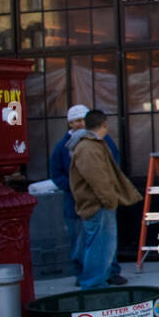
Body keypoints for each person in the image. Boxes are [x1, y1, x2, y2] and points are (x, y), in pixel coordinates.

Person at [50, 104, 125, 282]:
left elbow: (112, 165)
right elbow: (56, 174)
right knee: (82, 241)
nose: (79, 124)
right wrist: (75, 186)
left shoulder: (100, 142)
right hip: (78, 200)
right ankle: (86, 276)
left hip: (99, 199)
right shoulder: (65, 147)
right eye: (75, 121)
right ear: (69, 124)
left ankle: (109, 273)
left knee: (105, 240)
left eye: (82, 120)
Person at [69, 109, 142, 290]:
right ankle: (93, 286)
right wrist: (110, 200)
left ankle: (93, 283)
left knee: (97, 247)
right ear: (104, 124)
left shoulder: (90, 145)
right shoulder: (89, 147)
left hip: (96, 204)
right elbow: (98, 179)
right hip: (98, 205)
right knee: (101, 249)